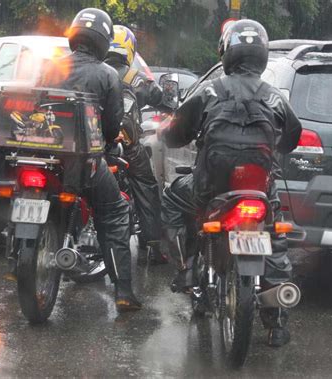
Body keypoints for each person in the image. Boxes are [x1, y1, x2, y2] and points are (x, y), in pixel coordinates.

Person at [159, 19, 302, 347]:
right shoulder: (274, 95)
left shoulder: (209, 90)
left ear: (227, 53)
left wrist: (168, 134)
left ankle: (184, 269)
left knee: (171, 198)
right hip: (260, 188)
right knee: (274, 237)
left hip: (211, 187)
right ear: (262, 55)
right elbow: (291, 137)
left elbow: (175, 134)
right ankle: (277, 322)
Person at [40, 8, 141, 312]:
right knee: (114, 212)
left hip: (43, 156)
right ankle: (123, 291)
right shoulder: (107, 75)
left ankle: (16, 258)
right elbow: (111, 127)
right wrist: (109, 144)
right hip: (83, 162)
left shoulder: (51, 68)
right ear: (102, 42)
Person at [104, 24, 168, 265]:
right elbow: (162, 99)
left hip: (90, 145)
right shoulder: (135, 77)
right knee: (147, 188)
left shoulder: (92, 70)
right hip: (126, 146)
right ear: (129, 49)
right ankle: (153, 244)